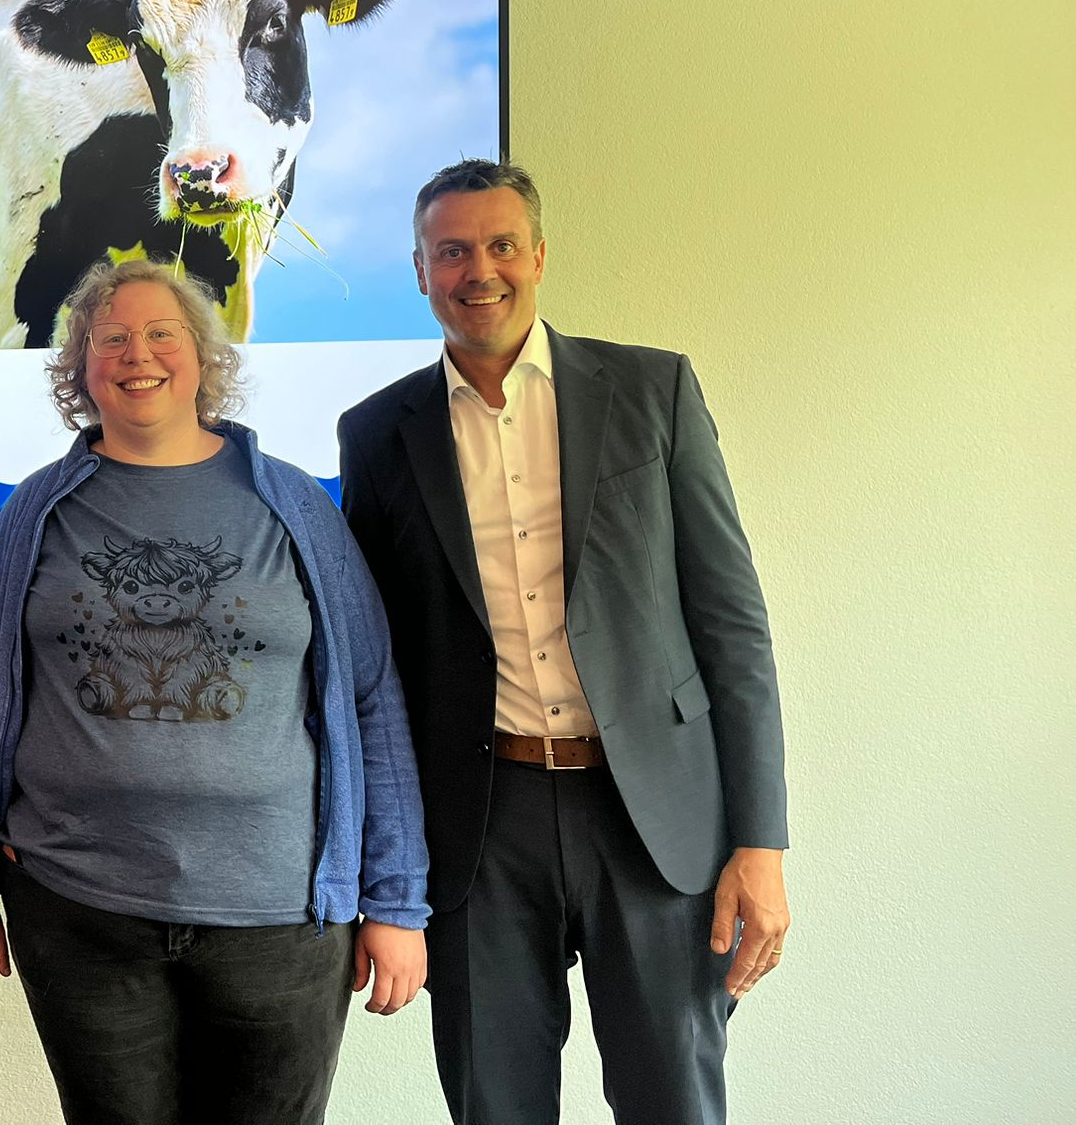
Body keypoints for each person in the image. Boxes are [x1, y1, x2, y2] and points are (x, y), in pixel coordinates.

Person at [337, 159, 791, 1125]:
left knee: (674, 1101)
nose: (479, 271)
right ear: (419, 272)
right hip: (476, 826)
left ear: (538, 256)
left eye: (501, 245)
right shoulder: (376, 434)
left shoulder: (650, 390)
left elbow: (732, 627)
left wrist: (762, 842)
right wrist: (378, 869)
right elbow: (371, 672)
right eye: (451, 251)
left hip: (656, 825)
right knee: (496, 1105)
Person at [0, 258, 431, 1125]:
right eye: (111, 338)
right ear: (80, 366)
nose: (140, 355)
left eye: (163, 333)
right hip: (78, 909)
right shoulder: (31, 513)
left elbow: (371, 699)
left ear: (203, 356)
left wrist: (395, 899)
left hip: (279, 919)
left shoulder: (296, 508)